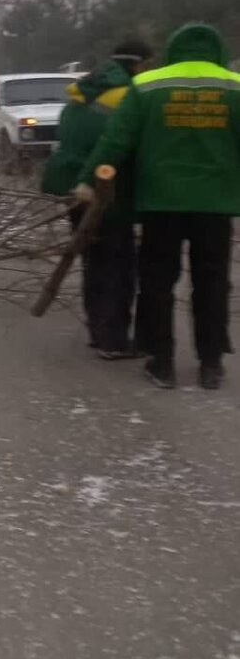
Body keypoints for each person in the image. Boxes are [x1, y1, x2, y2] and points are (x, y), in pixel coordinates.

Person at [77, 23, 240, 390]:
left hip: (161, 204)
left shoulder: (148, 85)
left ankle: (161, 362)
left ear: (173, 49)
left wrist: (88, 181)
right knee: (212, 283)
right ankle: (210, 364)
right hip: (215, 206)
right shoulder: (234, 86)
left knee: (158, 282)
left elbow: (115, 139)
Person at [42, 40, 154, 357]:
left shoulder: (85, 87)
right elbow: (121, 144)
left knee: (94, 259)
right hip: (104, 189)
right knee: (117, 263)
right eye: (147, 64)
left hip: (71, 185)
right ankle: (113, 340)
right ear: (138, 64)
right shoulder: (126, 95)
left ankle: (98, 331)